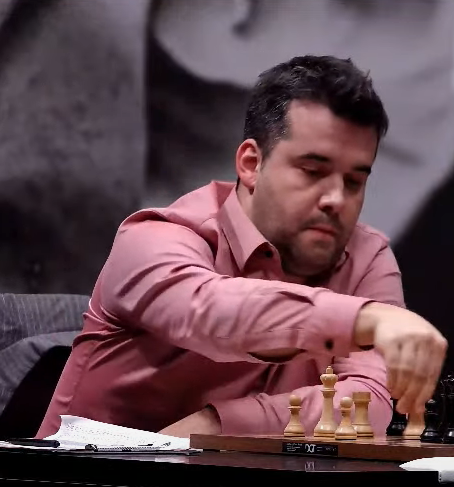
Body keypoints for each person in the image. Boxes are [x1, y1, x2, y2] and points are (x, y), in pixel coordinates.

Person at [37, 55, 447, 439]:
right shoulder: (153, 238)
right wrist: (365, 319)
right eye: (312, 171)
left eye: (355, 181)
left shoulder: (366, 257)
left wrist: (218, 426)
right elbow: (209, 311)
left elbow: (368, 403)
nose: (337, 199)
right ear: (251, 164)